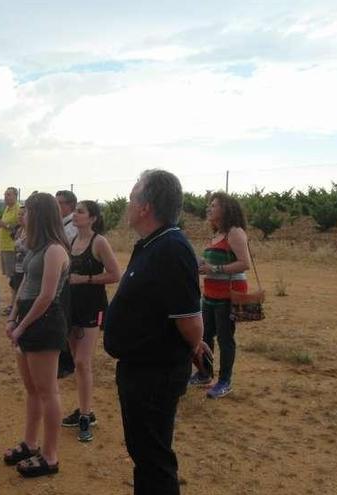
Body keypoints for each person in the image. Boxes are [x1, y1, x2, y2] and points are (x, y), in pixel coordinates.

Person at [104, 170, 211, 495]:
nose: (128, 201)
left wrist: (195, 345)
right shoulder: (154, 244)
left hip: (154, 375)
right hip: (141, 372)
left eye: (133, 195)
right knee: (145, 456)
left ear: (146, 206)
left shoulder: (171, 248)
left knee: (154, 459)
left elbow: (191, 320)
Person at [3, 192, 69, 478]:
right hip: (28, 320)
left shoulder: (55, 250)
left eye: (27, 211)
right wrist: (12, 316)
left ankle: (50, 455)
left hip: (43, 323)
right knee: (32, 389)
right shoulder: (35, 247)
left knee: (47, 390)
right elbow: (25, 285)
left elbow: (46, 296)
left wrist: (21, 325)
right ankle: (30, 443)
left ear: (39, 215)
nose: (22, 215)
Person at [61, 200, 121, 442]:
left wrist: (84, 279)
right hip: (71, 309)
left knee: (83, 362)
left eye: (80, 211)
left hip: (92, 309)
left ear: (93, 218)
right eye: (75, 211)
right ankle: (85, 409)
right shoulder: (72, 241)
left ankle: (85, 415)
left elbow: (115, 274)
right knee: (77, 362)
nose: (75, 215)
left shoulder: (99, 242)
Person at [189, 192, 251, 399]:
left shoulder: (235, 232)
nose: (209, 208)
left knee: (225, 338)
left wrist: (213, 268)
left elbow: (245, 263)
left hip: (228, 295)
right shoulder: (216, 233)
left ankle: (225, 381)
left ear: (225, 209)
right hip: (210, 294)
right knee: (204, 336)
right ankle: (205, 374)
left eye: (213, 205)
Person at [55, 190, 78, 379]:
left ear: (69, 205)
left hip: (69, 278)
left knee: (65, 318)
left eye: (60, 203)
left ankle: (67, 362)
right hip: (64, 277)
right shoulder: (63, 224)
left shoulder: (72, 227)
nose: (57, 206)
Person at [0, 187, 20, 315]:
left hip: (12, 248)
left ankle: (14, 306)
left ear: (16, 196)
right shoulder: (7, 209)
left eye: (9, 195)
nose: (6, 197)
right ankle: (14, 304)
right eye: (5, 195)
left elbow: (18, 227)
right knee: (11, 277)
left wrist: (4, 225)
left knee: (14, 278)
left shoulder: (18, 209)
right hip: (4, 247)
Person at [8, 205, 28, 298]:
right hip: (17, 266)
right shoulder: (19, 231)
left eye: (22, 214)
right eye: (18, 214)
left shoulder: (32, 233)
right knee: (14, 286)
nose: (19, 216)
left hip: (26, 269)